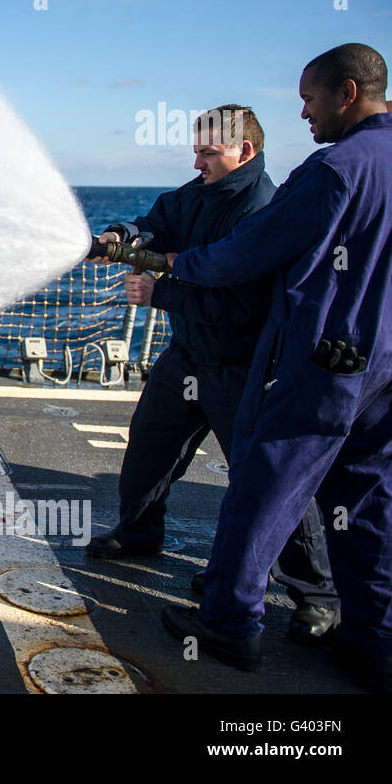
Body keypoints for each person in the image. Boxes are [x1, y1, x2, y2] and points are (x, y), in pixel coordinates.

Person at [158, 43, 392, 692]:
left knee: (264, 486)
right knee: (368, 499)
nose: (305, 116)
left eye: (310, 101)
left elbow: (251, 250)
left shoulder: (336, 169)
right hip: (385, 367)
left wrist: (183, 265)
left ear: (347, 93)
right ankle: (374, 639)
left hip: (326, 361)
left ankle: (231, 622)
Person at [86, 105, 340, 644]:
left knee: (268, 480)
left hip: (241, 368)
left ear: (244, 151)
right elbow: (155, 223)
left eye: (208, 152)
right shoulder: (193, 194)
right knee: (149, 445)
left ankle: (317, 595)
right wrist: (119, 234)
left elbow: (244, 304)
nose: (197, 161)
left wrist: (162, 293)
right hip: (186, 355)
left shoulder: (262, 209)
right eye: (195, 151)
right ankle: (138, 533)